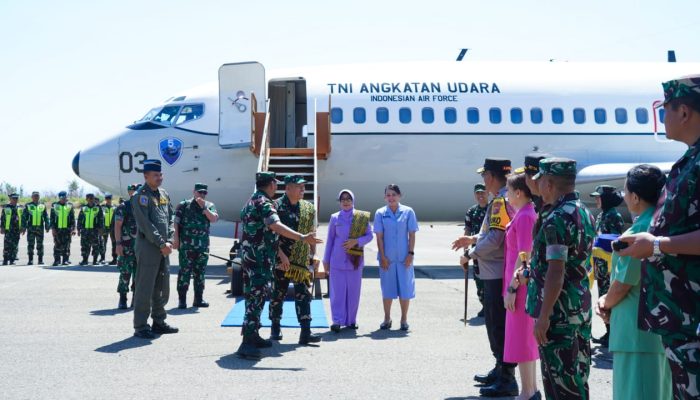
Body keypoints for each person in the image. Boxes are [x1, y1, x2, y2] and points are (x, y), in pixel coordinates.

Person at [617, 75, 700, 399]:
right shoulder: (689, 161)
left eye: (665, 108)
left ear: (684, 113)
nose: (660, 115)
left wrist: (656, 244)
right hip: (680, 316)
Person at [594, 165, 671, 400]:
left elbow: (623, 282)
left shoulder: (639, 231)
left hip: (636, 334)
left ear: (635, 197)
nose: (624, 196)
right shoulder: (664, 225)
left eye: (626, 192)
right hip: (661, 327)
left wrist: (605, 302)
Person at [523, 158, 596, 400]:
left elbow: (556, 270)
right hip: (578, 307)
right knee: (578, 376)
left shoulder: (557, 218)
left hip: (559, 312)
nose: (538, 186)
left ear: (550, 183)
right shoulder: (584, 211)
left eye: (540, 180)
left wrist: (544, 316)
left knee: (561, 384)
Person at [236, 172, 322, 359]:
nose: (276, 186)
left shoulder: (251, 200)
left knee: (255, 299)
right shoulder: (265, 203)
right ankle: (247, 343)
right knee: (256, 300)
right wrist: (301, 237)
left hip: (255, 259)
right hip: (259, 261)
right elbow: (275, 226)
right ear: (272, 185)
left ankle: (254, 336)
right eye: (275, 183)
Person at [452, 158, 518, 397]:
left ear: (490, 177)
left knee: (497, 325)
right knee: (495, 324)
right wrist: (472, 240)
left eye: (484, 176)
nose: (483, 181)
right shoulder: (503, 199)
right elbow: (491, 234)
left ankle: (507, 378)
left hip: (496, 272)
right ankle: (501, 369)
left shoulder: (501, 201)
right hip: (496, 271)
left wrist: (470, 253)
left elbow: (496, 239)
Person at [269, 175, 321, 345]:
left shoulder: (308, 207)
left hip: (300, 259)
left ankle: (305, 331)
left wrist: (313, 254)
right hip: (281, 259)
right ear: (288, 188)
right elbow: (270, 235)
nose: (302, 190)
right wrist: (280, 255)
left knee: (304, 294)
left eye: (304, 186)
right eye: (299, 187)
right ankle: (275, 327)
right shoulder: (275, 206)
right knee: (278, 293)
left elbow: (311, 234)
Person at [130, 159, 178, 339]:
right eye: (155, 175)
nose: (160, 178)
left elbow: (170, 217)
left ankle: (159, 321)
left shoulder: (163, 193)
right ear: (146, 176)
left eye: (161, 174)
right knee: (145, 287)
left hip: (163, 247)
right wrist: (161, 243)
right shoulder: (140, 196)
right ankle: (141, 326)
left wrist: (171, 239)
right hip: (149, 247)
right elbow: (146, 225)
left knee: (161, 286)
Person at [502, 173, 540, 400]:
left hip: (521, 286)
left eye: (508, 190)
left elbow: (525, 255)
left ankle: (528, 392)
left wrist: (512, 288)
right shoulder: (523, 214)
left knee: (523, 341)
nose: (506, 195)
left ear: (518, 192)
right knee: (523, 340)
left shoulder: (525, 216)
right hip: (519, 284)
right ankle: (531, 390)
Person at [323, 189, 373, 333]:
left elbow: (369, 236)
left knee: (353, 292)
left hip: (355, 261)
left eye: (348, 199)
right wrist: (326, 260)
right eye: (343, 199)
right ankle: (337, 321)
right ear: (339, 202)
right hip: (337, 261)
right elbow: (330, 240)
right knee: (337, 292)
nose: (345, 202)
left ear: (353, 201)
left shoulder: (361, 217)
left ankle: (351, 320)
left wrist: (356, 241)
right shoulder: (335, 218)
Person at [374, 184, 419, 331]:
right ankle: (387, 318)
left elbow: (412, 234)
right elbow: (379, 237)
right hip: (387, 258)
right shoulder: (380, 213)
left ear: (399, 196)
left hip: (404, 258)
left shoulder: (408, 212)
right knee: (387, 290)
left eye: (394, 194)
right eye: (388, 195)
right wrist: (382, 256)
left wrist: (410, 254)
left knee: (405, 289)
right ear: (384, 197)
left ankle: (404, 319)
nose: (391, 198)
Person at [173, 183, 219, 309]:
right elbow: (175, 223)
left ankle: (198, 299)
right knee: (184, 273)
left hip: (202, 247)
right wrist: (176, 238)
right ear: (194, 192)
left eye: (204, 193)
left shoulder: (209, 206)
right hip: (186, 247)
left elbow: (214, 219)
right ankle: (182, 300)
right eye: (200, 192)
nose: (202, 195)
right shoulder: (184, 205)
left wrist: (204, 208)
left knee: (200, 273)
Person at [589, 185, 624, 347]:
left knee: (609, 301)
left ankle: (613, 334)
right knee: (602, 300)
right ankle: (608, 332)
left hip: (609, 267)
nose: (596, 200)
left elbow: (616, 241)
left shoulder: (613, 217)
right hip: (600, 267)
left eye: (598, 197)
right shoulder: (602, 215)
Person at [461, 183, 488, 317]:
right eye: (478, 193)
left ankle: (491, 306)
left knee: (490, 278)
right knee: (478, 279)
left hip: (490, 249)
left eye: (483, 193)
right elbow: (467, 229)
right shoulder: (471, 211)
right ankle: (484, 305)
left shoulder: (493, 209)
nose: (480, 195)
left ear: (487, 193)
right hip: (475, 251)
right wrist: (465, 249)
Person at [115, 184, 139, 310]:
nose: (135, 193)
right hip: (126, 246)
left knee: (139, 274)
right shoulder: (123, 207)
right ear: (129, 192)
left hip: (141, 248)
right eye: (133, 191)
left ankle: (136, 298)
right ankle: (123, 298)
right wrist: (118, 244)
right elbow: (117, 226)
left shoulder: (144, 207)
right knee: (125, 273)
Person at [22, 191, 49, 265]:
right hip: (31, 228)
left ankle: (40, 260)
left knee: (40, 244)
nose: (36, 197)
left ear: (39, 197)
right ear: (32, 197)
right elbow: (24, 217)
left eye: (37, 196)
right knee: (31, 244)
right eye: (34, 196)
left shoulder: (42, 205)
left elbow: (46, 216)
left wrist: (47, 225)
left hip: (40, 228)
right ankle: (30, 260)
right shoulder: (28, 205)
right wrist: (23, 227)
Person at [77, 193, 104, 266]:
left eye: (92, 198)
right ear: (86, 199)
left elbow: (101, 219)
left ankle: (95, 260)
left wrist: (101, 229)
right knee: (84, 246)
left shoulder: (98, 208)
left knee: (96, 246)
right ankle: (84, 260)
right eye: (89, 198)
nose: (91, 200)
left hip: (95, 230)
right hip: (85, 230)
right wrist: (78, 229)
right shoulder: (84, 208)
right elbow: (80, 219)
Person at [50, 191, 76, 266]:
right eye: (61, 198)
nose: (63, 199)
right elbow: (51, 218)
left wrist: (73, 228)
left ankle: (65, 260)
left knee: (67, 245)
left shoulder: (69, 206)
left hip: (67, 229)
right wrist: (53, 229)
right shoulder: (54, 205)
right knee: (57, 245)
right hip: (57, 229)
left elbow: (72, 218)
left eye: (64, 197)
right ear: (59, 198)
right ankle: (57, 260)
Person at [1, 193, 24, 265]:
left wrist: (22, 227)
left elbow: (22, 218)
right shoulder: (6, 207)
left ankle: (12, 259)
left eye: (16, 198)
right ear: (10, 199)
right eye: (14, 198)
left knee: (15, 245)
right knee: (7, 245)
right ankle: (5, 259)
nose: (15, 200)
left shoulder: (20, 207)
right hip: (8, 229)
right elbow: (2, 218)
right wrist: (2, 227)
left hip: (17, 229)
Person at [99, 193, 117, 265]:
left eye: (109, 199)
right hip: (104, 228)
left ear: (111, 199)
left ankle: (115, 258)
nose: (108, 200)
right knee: (103, 243)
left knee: (114, 244)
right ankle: (102, 258)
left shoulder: (115, 208)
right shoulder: (102, 207)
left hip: (113, 228)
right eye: (107, 199)